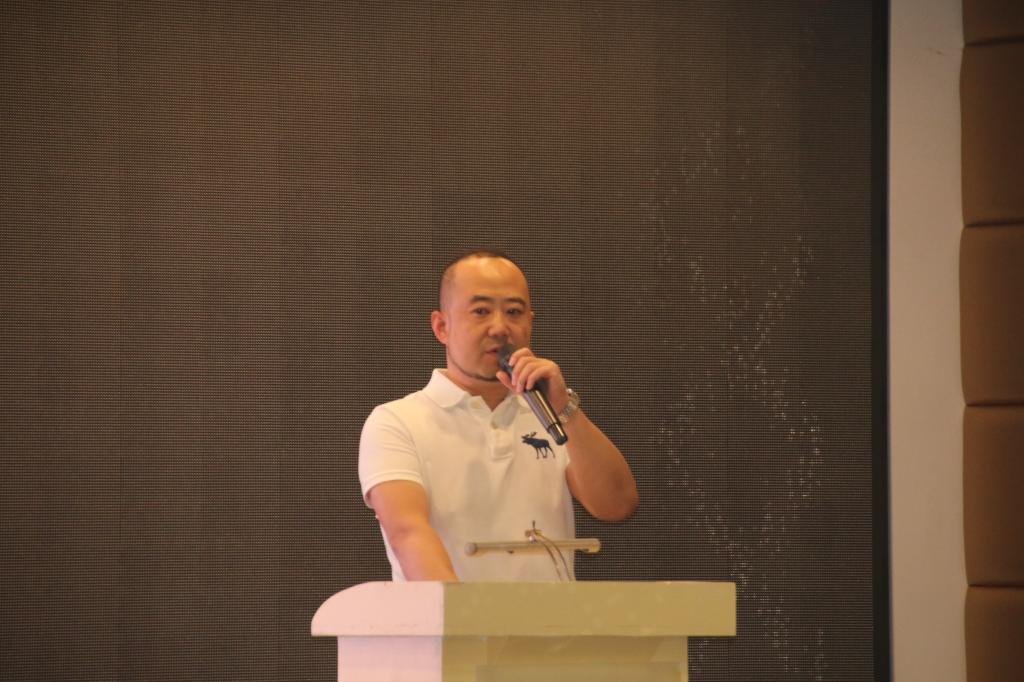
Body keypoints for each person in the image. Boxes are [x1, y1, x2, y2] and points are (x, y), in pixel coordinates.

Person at [358, 250, 638, 581]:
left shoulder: (551, 413)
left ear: (530, 323)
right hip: (451, 615)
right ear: (442, 327)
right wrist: (465, 614)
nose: (500, 327)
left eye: (514, 312)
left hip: (552, 617)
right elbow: (407, 533)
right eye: (481, 311)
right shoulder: (397, 421)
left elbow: (616, 505)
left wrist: (565, 409)